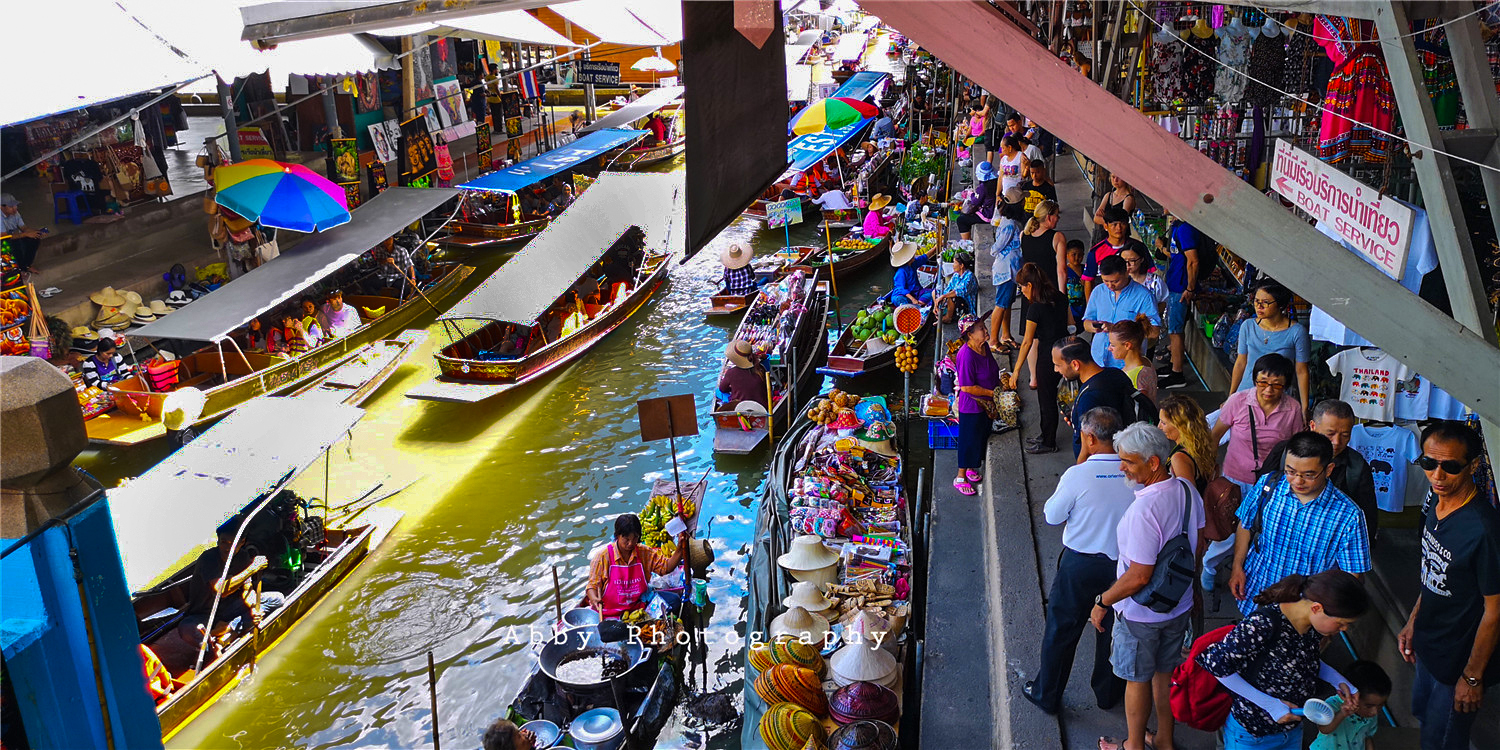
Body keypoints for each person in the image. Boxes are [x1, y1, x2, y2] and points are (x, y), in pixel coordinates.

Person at [1089, 423, 1204, 750]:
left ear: (1153, 462)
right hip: (1177, 605)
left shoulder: (1144, 510)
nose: (1121, 466)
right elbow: (1200, 539)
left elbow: (1139, 575)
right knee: (1163, 676)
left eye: (1128, 461)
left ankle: (1133, 746)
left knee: (1136, 680)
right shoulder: (1185, 489)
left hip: (1141, 614)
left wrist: (1103, 600)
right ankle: (1165, 740)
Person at [1398, 421, 1500, 750]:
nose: (1437, 476)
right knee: (1423, 716)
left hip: (1458, 658)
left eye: (1450, 467)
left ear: (1473, 466)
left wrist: (1472, 677)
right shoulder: (1435, 504)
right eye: (1429, 464)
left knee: (1442, 739)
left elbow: (1494, 612)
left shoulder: (1483, 530)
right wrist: (1413, 620)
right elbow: (1430, 569)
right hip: (1429, 644)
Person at [1025, 407, 1132, 714]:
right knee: (1112, 630)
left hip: (1080, 565)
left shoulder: (1078, 474)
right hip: (1122, 568)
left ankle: (1047, 693)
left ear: (1089, 437)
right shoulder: (1133, 471)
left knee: (1062, 630)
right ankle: (1107, 694)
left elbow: (1052, 516)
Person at [1197, 570, 1369, 750]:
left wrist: (1339, 680)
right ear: (1317, 608)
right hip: (1252, 734)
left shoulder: (1312, 627)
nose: (1343, 629)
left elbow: (1304, 660)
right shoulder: (1263, 624)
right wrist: (1270, 704)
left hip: (1292, 730)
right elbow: (1216, 664)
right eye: (1341, 623)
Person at [1228, 431, 1371, 615]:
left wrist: (1330, 619)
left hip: (1304, 613)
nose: (1297, 481)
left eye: (1308, 475)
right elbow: (1246, 524)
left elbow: (1353, 575)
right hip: (1256, 594)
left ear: (1328, 470)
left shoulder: (1349, 516)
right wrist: (1237, 566)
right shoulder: (1269, 484)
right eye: (1291, 471)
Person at [1203, 354, 1304, 591]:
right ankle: (1209, 566)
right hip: (1235, 480)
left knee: (1263, 533)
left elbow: (1296, 446)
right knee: (1227, 534)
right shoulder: (1238, 402)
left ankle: (1248, 573)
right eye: (1263, 382)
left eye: (1277, 384)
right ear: (1255, 380)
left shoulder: (1293, 409)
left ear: (1286, 385)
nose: (1268, 389)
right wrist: (1208, 468)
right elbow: (1215, 436)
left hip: (1271, 484)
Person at [1254, 400, 1378, 541]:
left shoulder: (1356, 467)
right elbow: (1260, 496)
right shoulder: (1285, 452)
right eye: (1330, 433)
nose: (1337, 442)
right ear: (1313, 426)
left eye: (1345, 435)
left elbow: (1367, 517)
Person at [177, 520, 286, 656]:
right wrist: (252, 569)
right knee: (187, 629)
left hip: (231, 609)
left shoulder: (243, 557)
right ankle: (220, 637)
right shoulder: (208, 558)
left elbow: (248, 590)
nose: (228, 548)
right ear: (218, 541)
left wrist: (254, 609)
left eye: (233, 544)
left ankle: (225, 630)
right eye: (223, 542)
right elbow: (221, 590)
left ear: (242, 542)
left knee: (277, 599)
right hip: (204, 613)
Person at [1005, 263, 1075, 454]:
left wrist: (1017, 370)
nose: (1022, 291)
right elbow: (1071, 325)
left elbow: (1027, 342)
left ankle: (1049, 441)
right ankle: (1045, 435)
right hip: (1065, 352)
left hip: (1048, 357)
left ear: (1030, 285)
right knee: (1053, 398)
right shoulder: (1060, 298)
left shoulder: (1035, 309)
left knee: (1047, 400)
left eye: (1022, 287)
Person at [1230, 282, 1312, 416]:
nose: (1259, 306)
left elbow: (1302, 371)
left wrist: (1304, 407)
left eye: (1266, 302)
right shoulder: (1248, 326)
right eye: (1256, 301)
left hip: (1278, 397)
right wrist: (1231, 396)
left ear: (1280, 305)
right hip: (1245, 394)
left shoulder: (1297, 332)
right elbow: (1240, 363)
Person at [585, 513, 688, 619]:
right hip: (611, 611)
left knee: (674, 601)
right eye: (626, 539)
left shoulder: (644, 552)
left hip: (638, 606)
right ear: (617, 536)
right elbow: (592, 586)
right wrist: (594, 599)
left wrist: (680, 548)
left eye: (634, 538)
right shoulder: (602, 557)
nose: (630, 543)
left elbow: (666, 567)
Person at [1053, 336, 1137, 458]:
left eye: (1058, 365)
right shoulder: (1116, 374)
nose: (1056, 370)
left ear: (1075, 364)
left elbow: (1090, 445)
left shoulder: (1089, 398)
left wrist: (1079, 470)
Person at [1083, 254, 1161, 369]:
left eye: (1115, 281)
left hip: (1128, 364)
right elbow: (1086, 323)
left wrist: (1115, 329)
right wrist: (1095, 326)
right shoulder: (1098, 291)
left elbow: (1154, 332)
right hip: (1098, 359)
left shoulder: (1144, 296)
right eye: (1106, 281)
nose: (1110, 286)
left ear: (1126, 272)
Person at [952, 314, 999, 497]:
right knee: (968, 440)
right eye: (981, 328)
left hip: (986, 403)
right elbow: (967, 386)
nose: (985, 330)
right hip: (971, 405)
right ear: (970, 334)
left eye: (984, 326)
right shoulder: (966, 355)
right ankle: (961, 477)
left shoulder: (984, 346)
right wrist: (992, 393)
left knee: (980, 435)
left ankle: (971, 467)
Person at [1158, 213, 1203, 390]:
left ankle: (1177, 373)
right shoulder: (1177, 226)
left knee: (1175, 330)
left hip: (1181, 288)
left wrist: (1190, 288)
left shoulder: (1185, 229)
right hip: (1174, 284)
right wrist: (1162, 248)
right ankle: (1172, 364)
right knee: (1173, 328)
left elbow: (1193, 260)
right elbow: (1177, 256)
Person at [1311, 660, 1390, 750]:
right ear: (1352, 695)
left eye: (1380, 705)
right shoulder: (1333, 705)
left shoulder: (1371, 716)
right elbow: (1324, 729)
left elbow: (1367, 737)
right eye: (1368, 706)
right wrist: (1342, 714)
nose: (1375, 711)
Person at [988, 188, 1028, 349]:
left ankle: (1005, 335)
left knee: (1008, 303)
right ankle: (993, 340)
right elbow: (996, 248)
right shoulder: (1010, 225)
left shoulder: (1011, 221)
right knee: (1001, 304)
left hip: (1012, 269)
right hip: (1006, 270)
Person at [1084, 206, 1151, 298]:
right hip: (1105, 300)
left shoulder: (1139, 247)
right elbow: (1088, 280)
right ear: (1106, 226)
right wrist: (1090, 307)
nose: (1119, 228)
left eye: (1122, 224)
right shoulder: (1095, 252)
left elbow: (1150, 275)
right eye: (1114, 224)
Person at [1157, 394, 1218, 495]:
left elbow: (1188, 497)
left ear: (1181, 426)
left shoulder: (1179, 458)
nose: (1159, 426)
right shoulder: (1201, 444)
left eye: (1164, 423)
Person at [1108, 318, 1157, 407]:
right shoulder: (1146, 361)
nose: (1109, 348)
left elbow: (1140, 407)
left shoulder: (1135, 377)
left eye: (1113, 345)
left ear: (1127, 345)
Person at [1, 193, 45, 274]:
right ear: (2, 207)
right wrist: (24, 234)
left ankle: (27, 266)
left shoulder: (15, 213)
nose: (14, 208)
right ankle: (19, 269)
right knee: (16, 244)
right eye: (11, 207)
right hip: (3, 241)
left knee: (34, 239)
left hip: (14, 237)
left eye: (15, 206)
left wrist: (35, 232)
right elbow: (4, 236)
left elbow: (24, 228)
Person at [719, 339, 769, 407]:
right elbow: (768, 387)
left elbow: (722, 389)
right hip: (762, 406)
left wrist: (733, 388)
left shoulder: (731, 373)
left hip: (740, 407)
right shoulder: (761, 368)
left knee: (718, 392)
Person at [955, 162, 997, 241]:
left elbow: (975, 202)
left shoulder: (983, 187)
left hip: (988, 214)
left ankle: (967, 244)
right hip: (996, 210)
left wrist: (970, 194)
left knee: (961, 220)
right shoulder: (997, 181)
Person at [884, 241, 932, 306]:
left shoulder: (913, 264)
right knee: (899, 299)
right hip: (903, 295)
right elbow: (901, 289)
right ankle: (915, 305)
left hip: (916, 292)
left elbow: (924, 257)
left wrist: (936, 247)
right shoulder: (901, 272)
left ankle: (918, 304)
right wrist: (913, 299)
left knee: (933, 293)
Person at [1093, 172, 1137, 240]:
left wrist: (1105, 218)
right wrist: (1111, 222)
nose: (1115, 180)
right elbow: (1096, 218)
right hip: (1105, 236)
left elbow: (1121, 219)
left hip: (1120, 237)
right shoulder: (1108, 195)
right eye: (1113, 177)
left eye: (1118, 178)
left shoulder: (1128, 198)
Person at [936, 251, 977, 323]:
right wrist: (939, 300)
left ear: (961, 266)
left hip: (965, 306)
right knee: (935, 292)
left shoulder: (969, 277)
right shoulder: (956, 275)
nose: (953, 265)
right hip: (955, 305)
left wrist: (943, 296)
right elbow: (948, 288)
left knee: (952, 296)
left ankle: (948, 318)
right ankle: (937, 312)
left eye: (955, 263)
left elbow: (959, 292)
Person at [1064, 240, 1087, 322]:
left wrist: (1086, 285)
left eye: (1080, 255)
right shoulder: (1064, 271)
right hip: (1070, 310)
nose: (1077, 258)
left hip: (1083, 308)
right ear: (1067, 255)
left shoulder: (1086, 270)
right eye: (1074, 254)